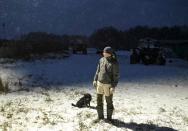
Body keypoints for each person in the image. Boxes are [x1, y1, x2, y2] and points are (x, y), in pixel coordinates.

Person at [93, 46, 119, 122]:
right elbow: (97, 71)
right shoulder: (101, 60)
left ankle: (109, 118)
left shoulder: (114, 63)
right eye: (103, 52)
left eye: (105, 52)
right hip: (99, 84)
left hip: (108, 85)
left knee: (109, 102)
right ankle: (100, 117)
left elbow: (116, 76)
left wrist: (113, 86)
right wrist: (95, 80)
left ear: (110, 53)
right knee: (99, 100)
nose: (103, 53)